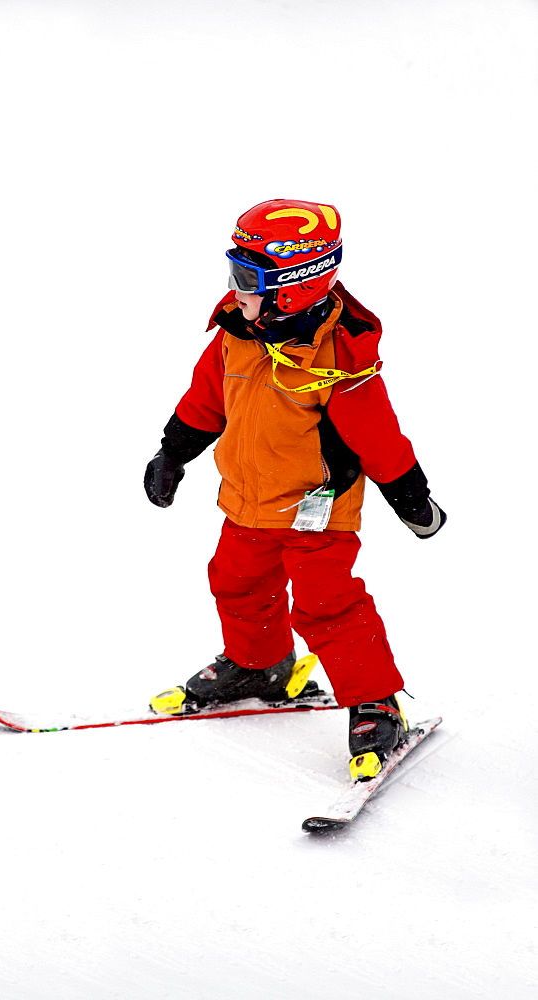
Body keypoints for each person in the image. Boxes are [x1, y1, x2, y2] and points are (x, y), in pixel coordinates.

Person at [143, 199, 446, 781]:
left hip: (318, 513)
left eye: (248, 279)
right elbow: (207, 400)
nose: (236, 291)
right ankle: (261, 666)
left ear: (293, 286)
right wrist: (171, 453)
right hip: (246, 503)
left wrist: (412, 498)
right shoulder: (236, 333)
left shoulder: (339, 360)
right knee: (234, 583)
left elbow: (379, 436)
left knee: (328, 606)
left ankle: (378, 702)